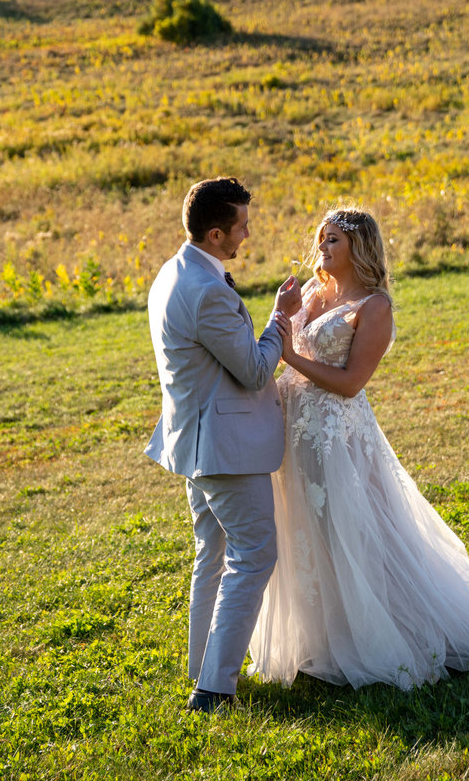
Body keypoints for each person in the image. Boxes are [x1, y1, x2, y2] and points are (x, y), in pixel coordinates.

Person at [248, 209, 469, 690]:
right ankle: (319, 634)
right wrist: (283, 313)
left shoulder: (374, 307)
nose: (323, 248)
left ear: (359, 248)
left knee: (353, 526)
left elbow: (352, 383)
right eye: (321, 239)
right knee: (303, 528)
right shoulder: (313, 292)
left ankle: (375, 632)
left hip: (337, 434)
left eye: (333, 240)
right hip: (294, 430)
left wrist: (292, 356)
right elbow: (278, 341)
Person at [143, 176, 302, 712]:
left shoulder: (174, 271)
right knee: (254, 556)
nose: (247, 234)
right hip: (225, 448)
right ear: (215, 233)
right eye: (241, 226)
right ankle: (213, 689)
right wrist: (282, 317)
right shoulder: (208, 290)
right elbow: (257, 370)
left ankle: (202, 668)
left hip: (193, 442)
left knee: (211, 555)